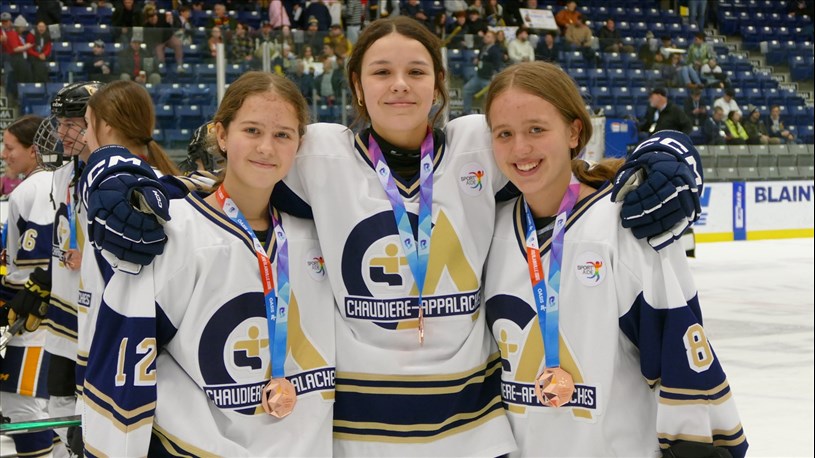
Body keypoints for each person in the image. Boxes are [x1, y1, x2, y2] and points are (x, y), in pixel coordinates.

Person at [77, 16, 704, 457]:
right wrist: (111, 174)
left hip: (475, 435)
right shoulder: (316, 153)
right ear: (356, 86)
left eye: (415, 70)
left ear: (438, 85)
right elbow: (229, 182)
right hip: (356, 439)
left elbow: (560, 161)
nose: (399, 83)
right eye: (381, 71)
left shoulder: (480, 143)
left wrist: (671, 155)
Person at [482, 60, 747, 457]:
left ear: (574, 132)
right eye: (504, 133)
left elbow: (682, 367)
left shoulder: (627, 225)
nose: (520, 148)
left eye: (536, 129)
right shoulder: (489, 228)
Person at [77, 71, 336, 456]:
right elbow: (124, 363)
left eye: (283, 134)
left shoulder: (322, 234)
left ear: (299, 143)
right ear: (221, 134)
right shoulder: (172, 232)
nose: (266, 147)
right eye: (252, 130)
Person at [28, 81, 104, 456]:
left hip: (99, 317)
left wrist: (88, 257)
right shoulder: (62, 174)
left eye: (71, 123)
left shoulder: (118, 175)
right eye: (60, 123)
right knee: (57, 403)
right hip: (64, 315)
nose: (61, 132)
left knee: (91, 414)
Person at [0, 114, 64, 458]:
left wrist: (7, 299)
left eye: (10, 147)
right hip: (57, 318)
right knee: (51, 409)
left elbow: (35, 267)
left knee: (22, 406)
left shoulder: (33, 189)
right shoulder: (57, 181)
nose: (4, 154)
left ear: (34, 150)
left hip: (36, 319)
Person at [462, 29, 504, 115]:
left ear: (493, 39)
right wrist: (477, 60)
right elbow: (480, 58)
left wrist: (494, 76)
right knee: (466, 89)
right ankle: (466, 111)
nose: (485, 38)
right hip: (479, 76)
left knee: (489, 98)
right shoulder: (483, 47)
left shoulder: (495, 50)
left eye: (488, 37)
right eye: (485, 36)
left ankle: (488, 115)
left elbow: (497, 65)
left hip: (488, 79)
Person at [142, 4, 184, 71]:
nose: (153, 18)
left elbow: (177, 24)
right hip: (158, 42)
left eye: (154, 15)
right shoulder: (146, 26)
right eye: (151, 17)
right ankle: (162, 70)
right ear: (147, 18)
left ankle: (180, 65)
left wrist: (171, 22)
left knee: (178, 44)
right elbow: (148, 41)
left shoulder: (163, 16)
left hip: (168, 37)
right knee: (159, 57)